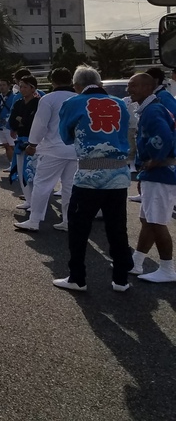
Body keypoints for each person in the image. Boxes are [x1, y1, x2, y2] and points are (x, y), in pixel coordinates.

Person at [54, 65, 134, 293]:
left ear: (77, 85)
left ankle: (77, 277)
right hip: (119, 174)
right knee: (117, 227)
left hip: (89, 174)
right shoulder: (120, 103)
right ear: (99, 83)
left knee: (79, 228)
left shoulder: (73, 103)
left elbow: (66, 137)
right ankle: (121, 279)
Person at [14, 68, 77, 232]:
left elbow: (40, 124)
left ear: (53, 81)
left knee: (42, 184)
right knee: (69, 186)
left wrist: (32, 144)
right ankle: (68, 220)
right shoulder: (79, 98)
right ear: (71, 80)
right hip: (75, 149)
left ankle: (34, 220)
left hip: (53, 148)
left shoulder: (48, 99)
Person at [127, 73, 176, 282]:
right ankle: (137, 262)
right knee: (147, 219)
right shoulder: (150, 108)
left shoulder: (152, 110)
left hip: (160, 173)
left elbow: (164, 137)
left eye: (133, 86)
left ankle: (167, 269)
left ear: (148, 87)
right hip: (156, 173)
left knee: (156, 222)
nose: (129, 90)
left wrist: (155, 160)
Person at [9, 75, 40, 210]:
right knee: (22, 171)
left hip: (34, 142)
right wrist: (20, 120)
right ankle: (28, 199)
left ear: (33, 88)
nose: (22, 89)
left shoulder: (39, 103)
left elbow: (32, 123)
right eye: (20, 86)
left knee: (34, 172)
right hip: (21, 140)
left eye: (25, 86)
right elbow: (12, 121)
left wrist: (21, 120)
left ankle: (36, 201)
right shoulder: (18, 103)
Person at [0, 78, 17, 164]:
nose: (1, 87)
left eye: (4, 85)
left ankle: (15, 165)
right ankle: (11, 164)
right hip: (0, 125)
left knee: (12, 145)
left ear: (8, 86)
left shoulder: (14, 97)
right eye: (0, 85)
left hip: (10, 126)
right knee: (6, 145)